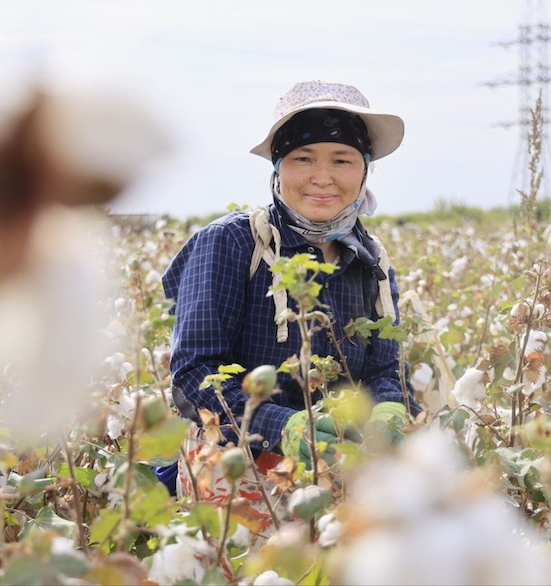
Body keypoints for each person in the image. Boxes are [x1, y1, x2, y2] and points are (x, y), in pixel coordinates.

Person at [160, 81, 421, 525]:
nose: (323, 177)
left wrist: (391, 409)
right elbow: (194, 373)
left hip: (344, 462)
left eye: (342, 160)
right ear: (278, 168)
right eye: (303, 159)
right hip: (239, 463)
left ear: (364, 171)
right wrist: (285, 426)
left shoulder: (371, 260)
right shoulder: (231, 243)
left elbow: (385, 368)